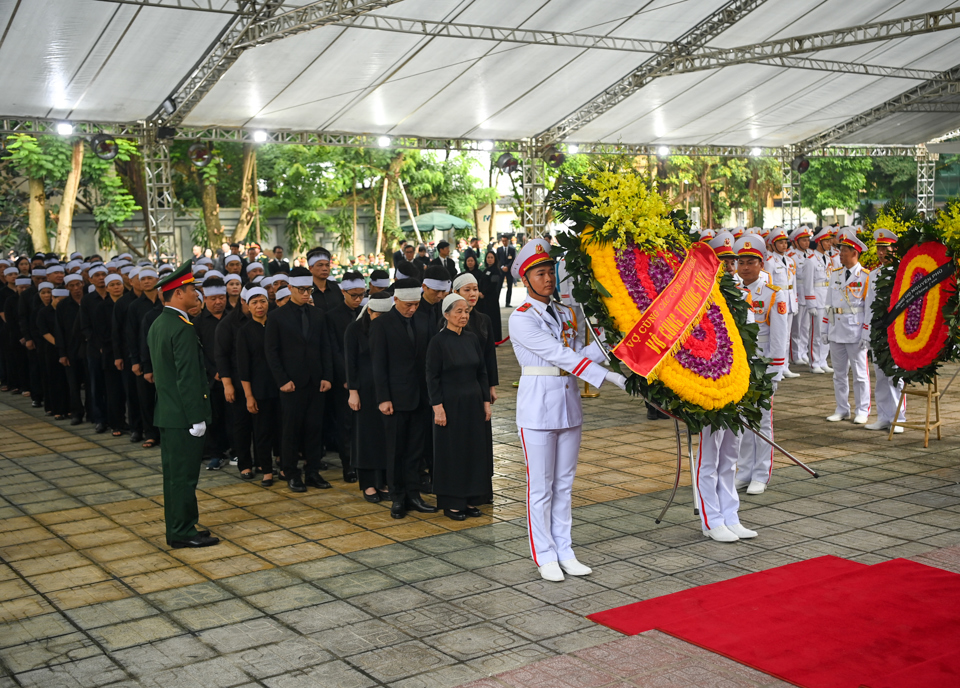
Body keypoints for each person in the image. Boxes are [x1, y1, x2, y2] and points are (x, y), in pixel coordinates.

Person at [508, 238, 626, 582]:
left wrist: (612, 339)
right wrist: (607, 377)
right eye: (540, 273)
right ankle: (544, 554)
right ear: (525, 279)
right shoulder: (521, 318)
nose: (548, 279)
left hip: (568, 405)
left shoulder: (565, 312)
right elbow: (558, 356)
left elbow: (579, 354)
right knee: (540, 487)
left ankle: (565, 549)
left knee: (564, 484)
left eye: (550, 272)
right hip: (537, 408)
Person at [148, 261, 218, 549]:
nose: (197, 295)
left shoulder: (160, 323)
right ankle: (180, 531)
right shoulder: (181, 328)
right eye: (192, 290)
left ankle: (185, 524)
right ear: (177, 294)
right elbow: (187, 378)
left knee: (178, 476)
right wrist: (197, 416)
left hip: (170, 413)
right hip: (182, 416)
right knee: (183, 477)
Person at [695, 233, 758, 543]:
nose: (731, 266)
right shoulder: (698, 298)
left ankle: (731, 514)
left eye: (732, 261)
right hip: (710, 382)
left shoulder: (740, 294)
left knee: (730, 452)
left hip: (737, 380)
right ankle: (711, 519)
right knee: (709, 455)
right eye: (724, 261)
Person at [370, 278, 438, 519]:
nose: (412, 309)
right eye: (408, 305)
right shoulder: (382, 324)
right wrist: (383, 398)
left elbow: (429, 360)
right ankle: (398, 497)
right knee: (396, 450)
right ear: (396, 300)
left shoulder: (423, 319)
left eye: (416, 304)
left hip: (420, 397)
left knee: (415, 450)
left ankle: (414, 494)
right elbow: (378, 365)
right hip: (395, 399)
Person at [264, 267, 334, 492]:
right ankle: (292, 472)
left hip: (315, 381)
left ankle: (313, 471)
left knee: (315, 428)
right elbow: (271, 352)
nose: (306, 294)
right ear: (290, 288)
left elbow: (326, 348)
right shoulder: (276, 316)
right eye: (302, 290)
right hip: (291, 383)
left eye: (309, 290)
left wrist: (326, 376)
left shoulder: (318, 314)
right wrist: (282, 379)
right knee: (291, 430)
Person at [427, 293, 491, 520]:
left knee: (473, 451)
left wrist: (485, 402)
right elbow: (432, 377)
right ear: (446, 315)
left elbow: (481, 371)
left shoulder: (472, 338)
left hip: (473, 403)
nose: (464, 316)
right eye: (459, 312)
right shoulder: (438, 342)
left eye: (466, 311)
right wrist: (438, 407)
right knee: (453, 453)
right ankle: (453, 502)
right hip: (450, 404)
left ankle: (472, 499)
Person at [735, 234, 788, 496]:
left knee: (763, 420)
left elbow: (778, 337)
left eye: (750, 262)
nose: (745, 267)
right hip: (739, 367)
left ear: (761, 263)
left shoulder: (772, 295)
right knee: (743, 419)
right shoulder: (732, 292)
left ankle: (761, 473)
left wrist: (775, 371)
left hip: (762, 366)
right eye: (741, 262)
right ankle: (744, 471)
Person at [345, 292, 393, 502]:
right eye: (378, 315)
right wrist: (353, 391)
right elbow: (350, 363)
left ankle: (382, 480)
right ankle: (368, 483)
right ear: (370, 311)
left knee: (384, 436)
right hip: (364, 390)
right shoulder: (354, 329)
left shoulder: (390, 328)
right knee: (366, 437)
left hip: (385, 389)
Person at [824, 229, 871, 425]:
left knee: (860, 375)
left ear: (855, 253)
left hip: (855, 331)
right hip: (836, 330)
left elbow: (868, 308)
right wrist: (824, 330)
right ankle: (842, 408)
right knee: (839, 374)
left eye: (844, 250)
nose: (840, 253)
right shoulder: (835, 274)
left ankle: (862, 409)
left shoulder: (865, 276)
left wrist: (866, 333)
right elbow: (828, 304)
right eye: (840, 249)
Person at [864, 228, 905, 434]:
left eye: (885, 248)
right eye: (879, 248)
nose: (881, 253)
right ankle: (883, 416)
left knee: (895, 374)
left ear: (894, 248)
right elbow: (868, 304)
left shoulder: (903, 272)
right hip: (879, 330)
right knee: (880, 374)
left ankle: (899, 417)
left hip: (896, 329)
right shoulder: (874, 274)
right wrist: (866, 331)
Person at [236, 287, 278, 484]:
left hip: (281, 385)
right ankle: (267, 471)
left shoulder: (277, 324)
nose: (259, 306)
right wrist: (249, 396)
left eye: (262, 301)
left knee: (283, 429)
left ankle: (285, 466)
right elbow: (243, 368)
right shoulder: (244, 331)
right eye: (254, 303)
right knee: (262, 431)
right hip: (259, 389)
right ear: (247, 305)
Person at [326, 271, 364, 484]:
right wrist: (347, 377)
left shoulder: (367, 313)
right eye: (354, 295)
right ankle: (348, 465)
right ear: (343, 292)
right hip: (344, 380)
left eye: (361, 295)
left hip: (366, 377)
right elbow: (334, 350)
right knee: (346, 424)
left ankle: (364, 462)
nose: (358, 299)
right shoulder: (332, 316)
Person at [766, 228, 800, 379]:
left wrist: (796, 301)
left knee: (786, 336)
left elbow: (794, 283)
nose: (784, 245)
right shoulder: (770, 262)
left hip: (789, 300)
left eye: (785, 242)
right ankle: (776, 366)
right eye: (780, 242)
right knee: (778, 336)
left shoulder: (791, 261)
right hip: (777, 302)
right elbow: (768, 284)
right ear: (773, 244)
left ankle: (785, 365)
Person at [96, 274, 128, 436]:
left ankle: (128, 422)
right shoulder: (102, 307)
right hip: (110, 354)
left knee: (128, 391)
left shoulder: (129, 303)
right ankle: (116, 423)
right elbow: (102, 332)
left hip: (128, 352)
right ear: (107, 288)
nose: (116, 287)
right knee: (113, 390)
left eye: (118, 284)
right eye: (112, 285)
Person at [804, 227, 835, 375]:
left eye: (830, 241)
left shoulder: (829, 259)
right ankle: (814, 362)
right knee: (816, 333)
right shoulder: (811, 260)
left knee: (826, 332)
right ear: (819, 242)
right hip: (817, 298)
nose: (830, 244)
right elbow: (808, 283)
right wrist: (811, 303)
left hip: (827, 298)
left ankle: (823, 360)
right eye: (827, 241)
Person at [307, 248, 344, 313]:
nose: (325, 269)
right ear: (311, 268)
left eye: (327, 265)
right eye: (320, 265)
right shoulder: (305, 290)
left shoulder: (336, 287)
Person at [496, 235, 517, 307]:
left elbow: (514, 259)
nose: (504, 242)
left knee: (509, 286)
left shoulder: (512, 249)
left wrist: (508, 266)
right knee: (498, 286)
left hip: (509, 270)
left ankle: (507, 302)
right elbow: (497, 260)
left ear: (508, 241)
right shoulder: (499, 250)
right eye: (503, 241)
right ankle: (496, 301)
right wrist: (502, 267)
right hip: (501, 270)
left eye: (505, 241)